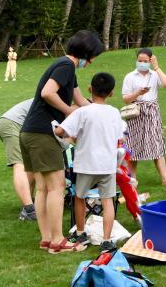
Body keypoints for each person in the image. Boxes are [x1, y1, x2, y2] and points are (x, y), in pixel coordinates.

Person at [20, 30, 103, 254]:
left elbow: (80, 100)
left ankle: (47, 239)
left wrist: (101, 112)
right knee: (57, 187)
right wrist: (68, 112)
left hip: (30, 132)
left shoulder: (67, 69)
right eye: (93, 56)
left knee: (44, 188)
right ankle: (58, 241)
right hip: (42, 133)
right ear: (86, 53)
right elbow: (48, 93)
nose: (92, 61)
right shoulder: (66, 65)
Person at [54, 72, 126, 250]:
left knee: (80, 197)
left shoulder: (82, 112)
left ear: (90, 89)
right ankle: (106, 240)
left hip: (86, 164)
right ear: (111, 93)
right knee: (107, 200)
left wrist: (61, 131)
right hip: (107, 164)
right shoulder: (114, 112)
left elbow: (61, 131)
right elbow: (120, 137)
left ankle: (80, 233)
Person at [121, 48, 166, 185]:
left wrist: (156, 67)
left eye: (145, 61)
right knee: (133, 146)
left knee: (156, 143)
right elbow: (125, 99)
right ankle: (132, 180)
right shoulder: (130, 76)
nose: (142, 63)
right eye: (140, 60)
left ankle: (165, 179)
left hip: (152, 112)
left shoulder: (154, 74)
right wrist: (138, 93)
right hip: (135, 113)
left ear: (151, 60)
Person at [0, 99, 35, 220]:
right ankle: (29, 210)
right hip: (12, 124)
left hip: (24, 127)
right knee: (19, 164)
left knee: (32, 165)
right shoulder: (55, 100)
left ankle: (29, 204)